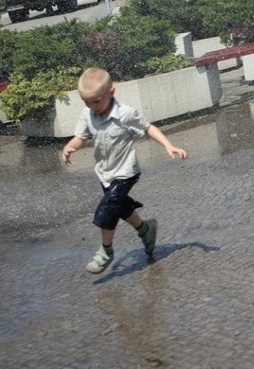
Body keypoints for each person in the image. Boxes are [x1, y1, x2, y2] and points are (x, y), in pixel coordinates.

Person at [61, 67, 188, 274]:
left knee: (107, 208)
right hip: (105, 173)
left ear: (111, 92)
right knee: (120, 207)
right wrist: (71, 146)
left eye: (97, 101)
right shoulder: (88, 114)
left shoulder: (125, 114)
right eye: (87, 102)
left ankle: (106, 250)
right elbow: (81, 137)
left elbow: (148, 128)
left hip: (126, 172)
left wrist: (168, 144)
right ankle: (146, 229)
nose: (93, 107)